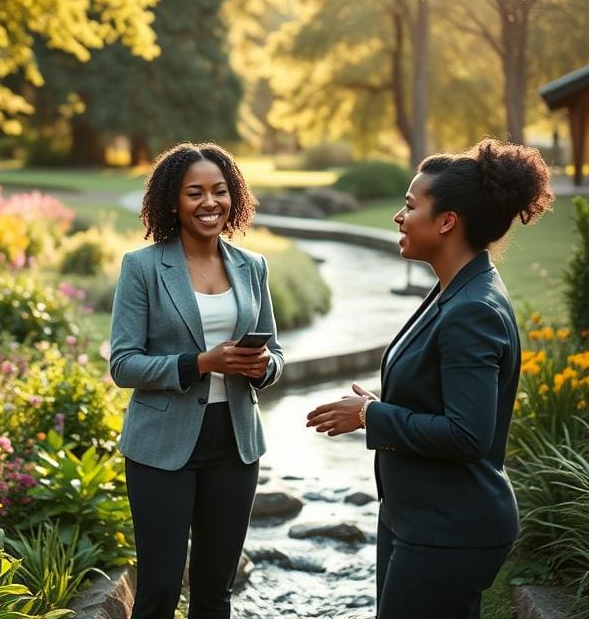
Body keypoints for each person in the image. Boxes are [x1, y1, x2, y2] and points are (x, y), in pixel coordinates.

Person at [306, 139, 554, 619]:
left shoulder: (472, 310)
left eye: (410, 205)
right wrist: (381, 406)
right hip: (416, 516)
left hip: (450, 529)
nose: (400, 216)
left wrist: (371, 414)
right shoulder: (456, 289)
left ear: (447, 221)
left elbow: (468, 434)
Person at [110, 142, 285, 619]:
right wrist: (200, 363)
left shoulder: (253, 266)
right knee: (160, 592)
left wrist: (263, 367)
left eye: (220, 191)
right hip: (160, 448)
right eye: (195, 193)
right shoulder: (142, 267)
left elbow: (277, 355)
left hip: (235, 444)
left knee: (215, 593)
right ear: (172, 201)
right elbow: (123, 364)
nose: (210, 203)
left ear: (234, 198)